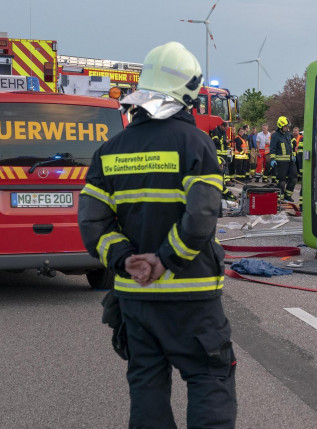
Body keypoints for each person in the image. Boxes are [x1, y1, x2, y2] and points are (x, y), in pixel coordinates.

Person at [78, 42, 236, 429]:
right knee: (209, 378)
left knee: (146, 384)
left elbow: (92, 223)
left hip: (136, 298)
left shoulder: (110, 150)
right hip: (192, 296)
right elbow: (201, 216)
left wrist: (125, 260)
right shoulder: (195, 143)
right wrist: (165, 260)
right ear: (189, 91)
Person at [270, 116, 298, 203]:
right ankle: (279, 198)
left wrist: (293, 155)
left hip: (290, 161)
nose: (287, 128)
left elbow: (291, 146)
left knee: (294, 178)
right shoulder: (275, 136)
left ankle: (287, 196)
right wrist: (272, 159)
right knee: (281, 181)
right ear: (280, 126)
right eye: (285, 126)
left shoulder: (288, 134)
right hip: (280, 162)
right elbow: (273, 148)